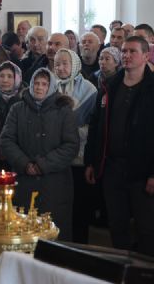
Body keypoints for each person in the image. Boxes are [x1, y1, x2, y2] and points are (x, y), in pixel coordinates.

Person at [85, 36, 154, 256]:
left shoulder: (151, 87)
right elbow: (96, 125)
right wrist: (91, 161)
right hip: (112, 168)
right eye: (124, 51)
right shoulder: (110, 86)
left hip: (143, 171)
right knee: (117, 225)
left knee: (146, 229)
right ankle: (122, 268)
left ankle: (145, 271)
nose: (127, 55)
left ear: (146, 56)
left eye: (133, 51)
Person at [1, 68, 79, 241]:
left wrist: (42, 165)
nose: (39, 87)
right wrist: (25, 164)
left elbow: (71, 146)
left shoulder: (64, 111)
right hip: (24, 182)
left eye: (44, 84)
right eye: (36, 83)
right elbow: (7, 140)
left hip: (54, 185)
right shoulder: (17, 109)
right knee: (24, 236)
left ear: (51, 87)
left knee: (53, 236)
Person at [53, 49, 97, 243]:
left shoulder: (89, 89)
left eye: (65, 63)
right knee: (58, 205)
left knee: (79, 206)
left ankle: (80, 247)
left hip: (79, 157)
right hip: (55, 158)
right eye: (57, 64)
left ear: (75, 65)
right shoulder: (50, 86)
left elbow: (92, 123)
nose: (60, 68)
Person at [0, 61, 23, 171]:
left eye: (10, 76)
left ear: (17, 79)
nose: (5, 80)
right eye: (1, 76)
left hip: (17, 158)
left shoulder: (24, 101)